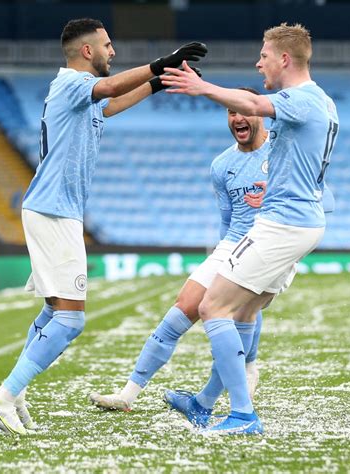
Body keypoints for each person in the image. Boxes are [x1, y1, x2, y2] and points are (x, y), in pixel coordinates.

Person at [0, 17, 207, 436]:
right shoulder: (70, 84)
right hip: (54, 212)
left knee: (53, 311)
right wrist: (160, 64)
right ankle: (3, 399)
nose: (113, 52)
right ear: (87, 51)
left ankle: (15, 394)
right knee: (71, 321)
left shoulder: (80, 95)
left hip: (54, 210)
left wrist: (160, 82)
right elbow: (108, 89)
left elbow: (113, 103)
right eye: (107, 45)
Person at [160, 23, 339, 435]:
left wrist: (204, 89)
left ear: (284, 59)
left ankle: (243, 415)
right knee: (241, 310)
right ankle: (204, 402)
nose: (258, 62)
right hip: (299, 221)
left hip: (284, 221)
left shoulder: (304, 100)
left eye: (263, 55)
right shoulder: (323, 102)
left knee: (211, 308)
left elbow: (254, 104)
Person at [90, 87, 269, 424]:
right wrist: (222, 257)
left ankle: (240, 382)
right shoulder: (222, 165)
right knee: (181, 309)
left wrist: (273, 201)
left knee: (230, 313)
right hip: (232, 246)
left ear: (260, 111)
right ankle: (128, 394)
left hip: (270, 245)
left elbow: (320, 200)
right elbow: (228, 220)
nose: (237, 118)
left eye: (242, 110)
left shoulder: (284, 152)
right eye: (230, 112)